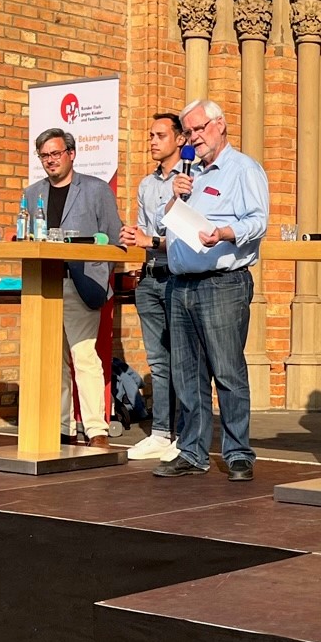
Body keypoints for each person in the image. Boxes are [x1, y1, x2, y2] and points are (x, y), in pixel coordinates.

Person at [156, 99, 268, 482]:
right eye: (188, 132)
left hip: (223, 283)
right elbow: (163, 223)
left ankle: (238, 452)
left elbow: (258, 221)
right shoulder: (189, 174)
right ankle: (192, 451)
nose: (194, 137)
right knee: (187, 374)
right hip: (181, 283)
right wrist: (176, 195)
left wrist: (224, 233)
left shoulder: (243, 169)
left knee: (227, 371)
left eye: (199, 128)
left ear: (220, 125)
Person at [18, 128, 125, 447]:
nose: (50, 161)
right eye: (44, 156)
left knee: (83, 356)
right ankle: (61, 427)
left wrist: (100, 274)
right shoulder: (31, 192)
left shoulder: (96, 190)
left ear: (71, 154)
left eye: (55, 154)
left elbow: (114, 240)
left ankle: (96, 430)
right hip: (43, 285)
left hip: (81, 284)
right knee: (52, 359)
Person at [118, 112, 185, 462]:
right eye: (150, 135)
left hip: (179, 277)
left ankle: (185, 434)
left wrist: (149, 239)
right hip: (150, 277)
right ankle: (160, 433)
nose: (153, 141)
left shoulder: (190, 178)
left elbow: (187, 235)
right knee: (158, 362)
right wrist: (133, 238)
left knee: (184, 360)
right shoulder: (146, 184)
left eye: (160, 135)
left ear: (179, 139)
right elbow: (144, 235)